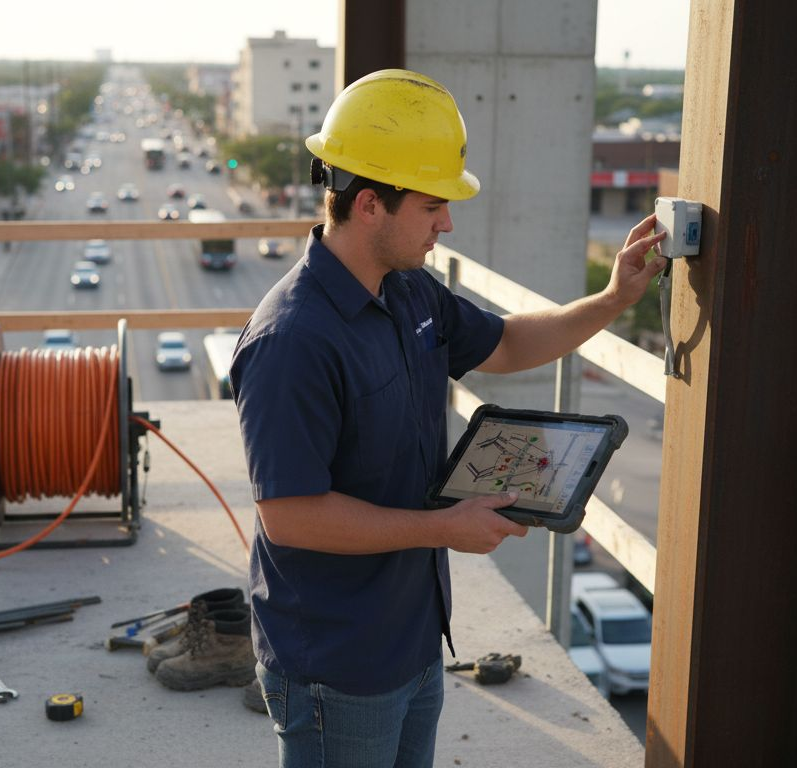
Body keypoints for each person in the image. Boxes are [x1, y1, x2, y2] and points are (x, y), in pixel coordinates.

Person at [230, 69, 666, 768]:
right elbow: (292, 516)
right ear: (370, 204)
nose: (448, 222)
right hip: (336, 663)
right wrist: (443, 528)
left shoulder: (407, 291)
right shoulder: (292, 342)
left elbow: (509, 342)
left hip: (413, 636)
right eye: (433, 204)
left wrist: (613, 300)